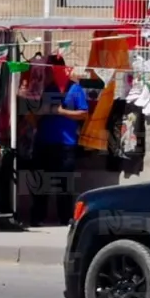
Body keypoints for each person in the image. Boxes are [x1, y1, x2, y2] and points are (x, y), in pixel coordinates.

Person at [31, 65, 89, 227]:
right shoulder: (46, 89)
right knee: (41, 183)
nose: (50, 73)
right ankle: (37, 217)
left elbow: (84, 113)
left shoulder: (75, 89)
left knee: (64, 183)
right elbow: (32, 115)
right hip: (43, 143)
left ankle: (65, 219)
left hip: (66, 144)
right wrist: (41, 112)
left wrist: (61, 112)